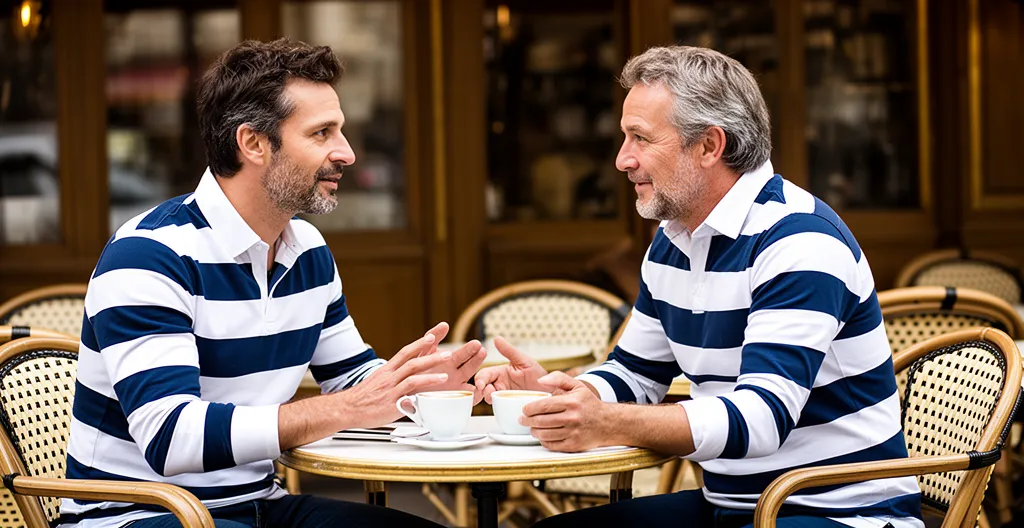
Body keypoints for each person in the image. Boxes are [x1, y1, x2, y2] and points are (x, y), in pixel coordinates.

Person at [475, 45, 922, 528]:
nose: (622, 160)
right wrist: (563, 396)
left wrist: (606, 422)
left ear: (710, 146)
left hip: (842, 514)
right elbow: (635, 375)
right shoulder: (674, 239)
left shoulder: (800, 241)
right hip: (735, 508)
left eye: (640, 138)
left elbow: (761, 419)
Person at [63, 38, 485, 528]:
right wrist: (343, 408)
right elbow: (171, 436)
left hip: (259, 506)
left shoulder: (307, 250)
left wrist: (430, 387)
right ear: (254, 144)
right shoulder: (150, 255)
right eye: (322, 133)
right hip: (138, 515)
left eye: (340, 131)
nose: (346, 153)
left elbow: (353, 383)